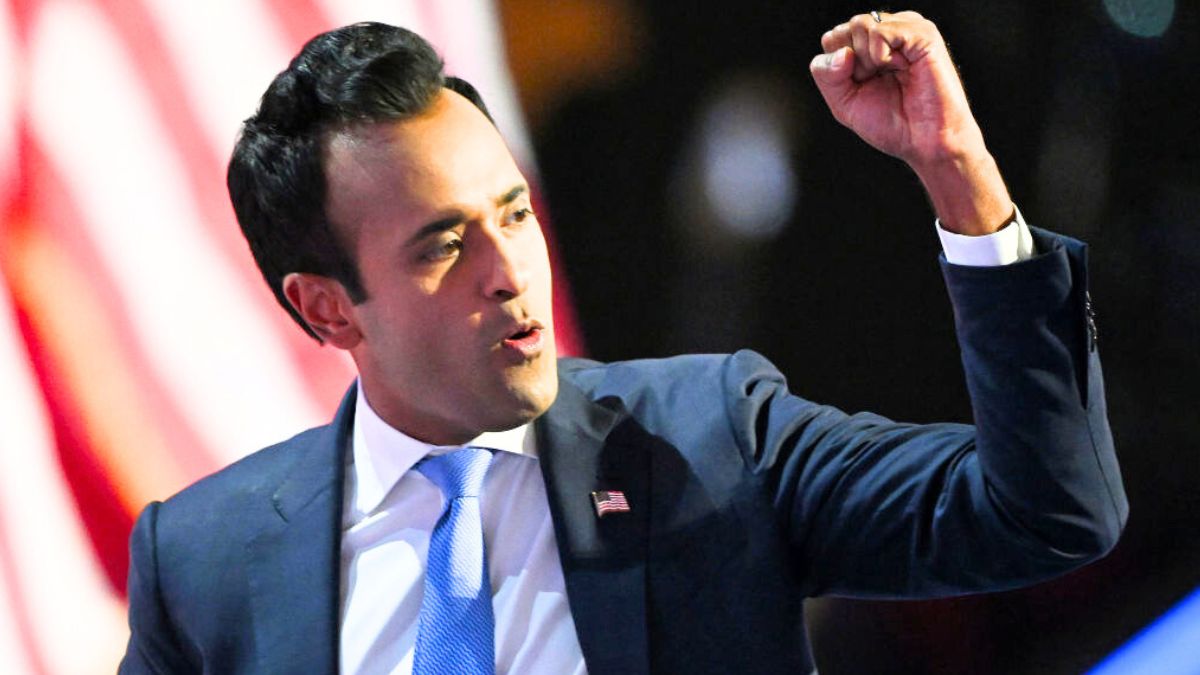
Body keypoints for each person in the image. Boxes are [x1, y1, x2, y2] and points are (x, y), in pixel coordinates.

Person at [118, 12, 1126, 675]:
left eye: (512, 213)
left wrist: (958, 172)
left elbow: (1049, 514)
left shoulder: (713, 441)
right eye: (443, 244)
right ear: (327, 308)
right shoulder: (203, 562)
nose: (510, 268)